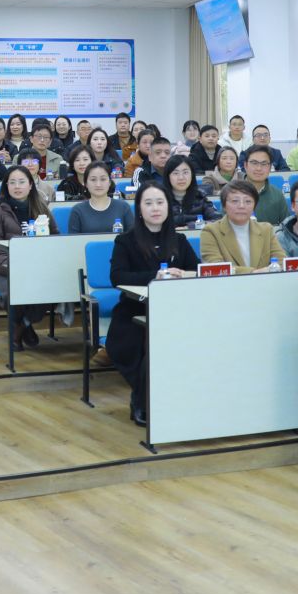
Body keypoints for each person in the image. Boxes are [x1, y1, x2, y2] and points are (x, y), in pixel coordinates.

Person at [106, 182, 201, 426]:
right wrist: (154, 276)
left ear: (168, 206)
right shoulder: (125, 241)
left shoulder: (179, 240)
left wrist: (183, 273)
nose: (155, 208)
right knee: (146, 343)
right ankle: (142, 400)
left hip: (176, 311)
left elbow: (198, 271)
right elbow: (117, 277)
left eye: (160, 202)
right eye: (148, 203)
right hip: (135, 311)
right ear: (139, 209)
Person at [0, 166, 58, 347]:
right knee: (15, 290)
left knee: (55, 288)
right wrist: (14, 267)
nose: (17, 186)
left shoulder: (42, 210)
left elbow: (55, 239)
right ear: (6, 186)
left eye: (22, 182)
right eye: (12, 182)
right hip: (7, 270)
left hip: (38, 269)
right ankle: (21, 326)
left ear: (30, 185)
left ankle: (23, 325)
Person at [201, 179, 282, 272]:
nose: (241, 206)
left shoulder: (266, 230)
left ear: (254, 206)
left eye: (248, 201)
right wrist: (255, 272)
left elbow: (281, 262)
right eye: (235, 201)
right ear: (224, 206)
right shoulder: (210, 232)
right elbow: (216, 267)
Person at [67, 162, 135, 234]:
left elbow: (133, 237)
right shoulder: (77, 211)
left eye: (103, 179)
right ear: (86, 183)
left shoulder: (123, 207)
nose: (98, 184)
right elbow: (73, 240)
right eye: (93, 180)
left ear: (109, 182)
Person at [161, 155, 218, 230]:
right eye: (176, 173)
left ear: (192, 175)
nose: (181, 178)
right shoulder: (160, 199)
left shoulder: (200, 197)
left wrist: (190, 227)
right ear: (168, 176)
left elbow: (217, 221)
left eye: (185, 172)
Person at [239, 145, 290, 225]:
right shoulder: (232, 193)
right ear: (245, 165)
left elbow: (287, 227)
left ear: (270, 167)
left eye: (264, 163)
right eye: (254, 163)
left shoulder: (277, 195)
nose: (259, 168)